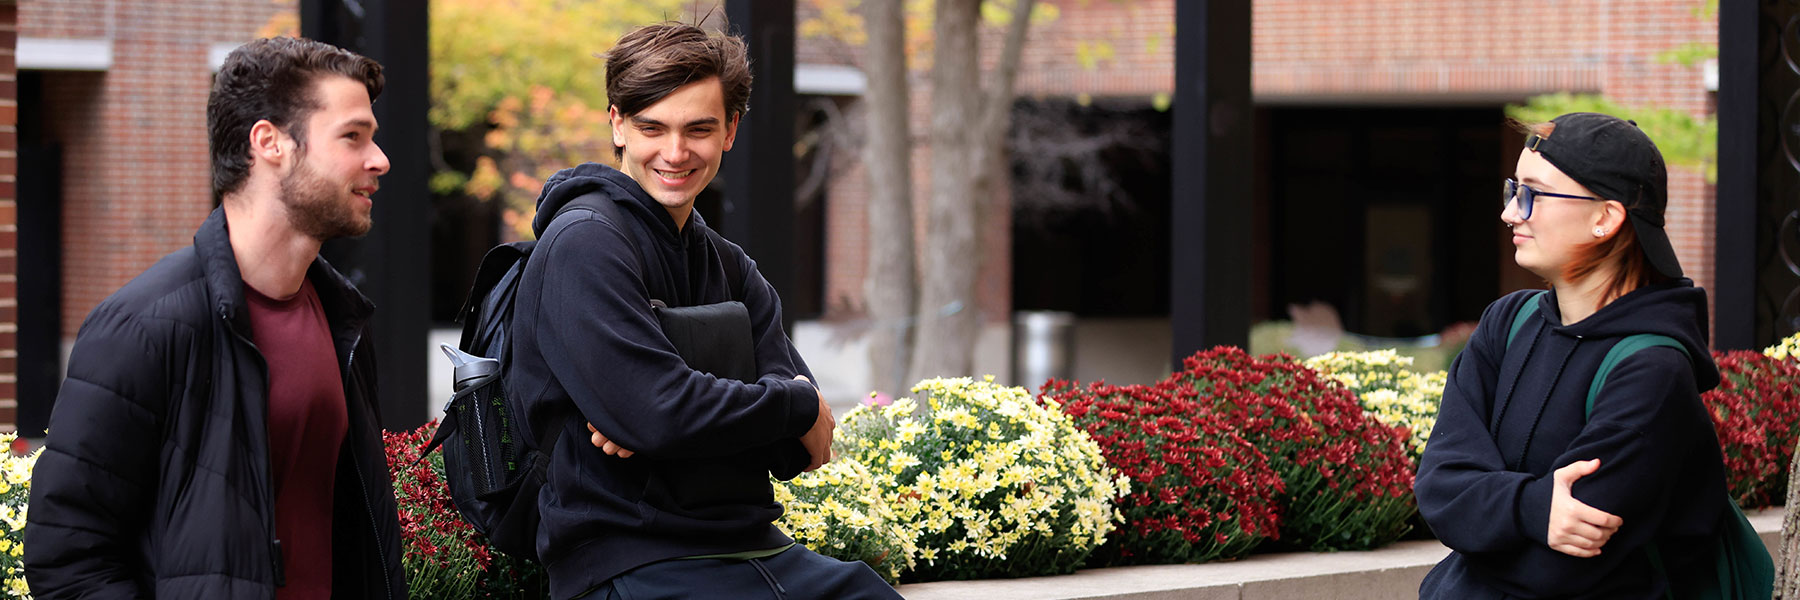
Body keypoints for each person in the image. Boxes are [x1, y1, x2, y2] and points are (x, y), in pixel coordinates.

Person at [509, 21, 901, 600]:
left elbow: (802, 448)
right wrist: (786, 403)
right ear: (617, 123)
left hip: (757, 549)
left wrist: (674, 409)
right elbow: (665, 413)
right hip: (632, 565)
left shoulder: (729, 263)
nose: (675, 152)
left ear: (731, 130)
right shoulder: (583, 244)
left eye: (699, 128)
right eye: (652, 127)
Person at [24, 37, 405, 598]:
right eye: (353, 136)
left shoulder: (342, 319)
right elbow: (68, 558)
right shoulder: (143, 325)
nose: (380, 160)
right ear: (270, 143)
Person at [1415, 113, 1733, 597]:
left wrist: (1488, 518)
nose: (1510, 213)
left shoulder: (1652, 369)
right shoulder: (1507, 323)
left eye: (1533, 195)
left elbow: (1563, 571)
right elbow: (1439, 487)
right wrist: (1533, 508)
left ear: (1605, 218)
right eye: (1512, 190)